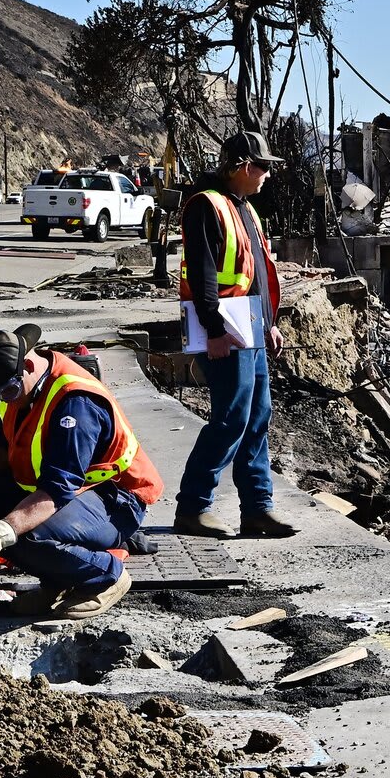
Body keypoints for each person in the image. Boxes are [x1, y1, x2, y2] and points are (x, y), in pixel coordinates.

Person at [0, 328, 152, 616]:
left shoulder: (75, 404)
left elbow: (56, 490)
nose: (5, 398)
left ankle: (105, 577)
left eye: (8, 391)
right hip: (67, 493)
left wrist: (1, 532)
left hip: (115, 500)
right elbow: (4, 448)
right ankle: (57, 580)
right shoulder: (17, 390)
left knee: (26, 536)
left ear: (26, 366)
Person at [172, 130, 294, 539]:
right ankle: (193, 508)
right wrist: (214, 330)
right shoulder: (206, 205)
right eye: (263, 168)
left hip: (250, 323)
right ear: (244, 166)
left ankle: (258, 508)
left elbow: (254, 270)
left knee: (257, 416)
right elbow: (202, 272)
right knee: (231, 419)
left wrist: (269, 323)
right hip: (225, 326)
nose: (267, 176)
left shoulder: (243, 207)